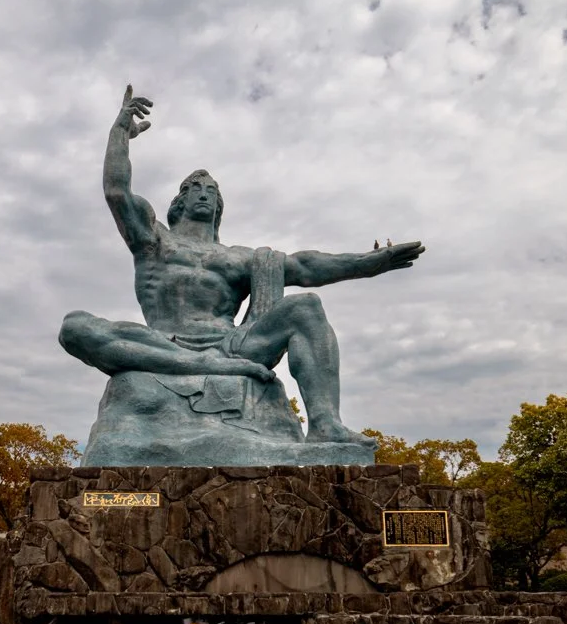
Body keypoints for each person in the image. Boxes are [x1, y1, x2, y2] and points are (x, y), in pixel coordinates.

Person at [59, 86, 424, 444]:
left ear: (219, 207)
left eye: (212, 190)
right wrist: (120, 132)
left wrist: (368, 263)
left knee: (306, 308)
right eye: (194, 188)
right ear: (178, 201)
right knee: (74, 327)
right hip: (164, 339)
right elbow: (116, 192)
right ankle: (206, 368)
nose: (204, 193)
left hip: (232, 345)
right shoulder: (154, 239)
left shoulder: (239, 258)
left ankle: (326, 424)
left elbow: (306, 267)